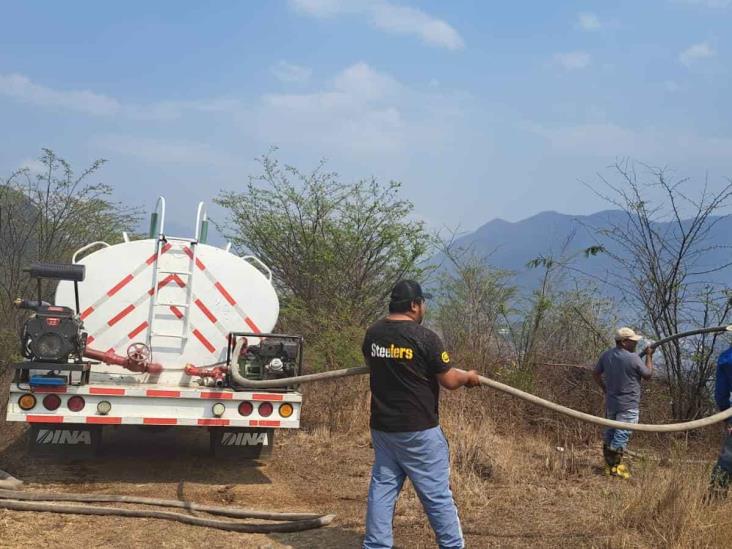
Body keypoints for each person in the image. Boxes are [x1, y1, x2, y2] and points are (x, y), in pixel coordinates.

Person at [361, 279, 480, 549]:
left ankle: (376, 545)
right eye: (422, 303)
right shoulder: (425, 337)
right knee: (436, 494)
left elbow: (371, 363)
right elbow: (449, 380)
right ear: (414, 305)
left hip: (383, 428)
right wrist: (469, 377)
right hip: (419, 431)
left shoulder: (374, 333)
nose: (423, 307)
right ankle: (452, 546)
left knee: (382, 488)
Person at [592, 327, 654, 479]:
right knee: (621, 435)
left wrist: (605, 389)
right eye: (633, 341)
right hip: (628, 404)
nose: (635, 344)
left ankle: (609, 466)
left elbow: (595, 373)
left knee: (610, 434)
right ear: (624, 342)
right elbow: (648, 374)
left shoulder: (606, 356)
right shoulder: (633, 358)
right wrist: (649, 356)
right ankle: (614, 468)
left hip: (612, 403)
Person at [710, 346, 732, 498]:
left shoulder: (726, 358)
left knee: (728, 458)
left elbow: (721, 394)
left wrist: (727, 416)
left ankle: (716, 495)